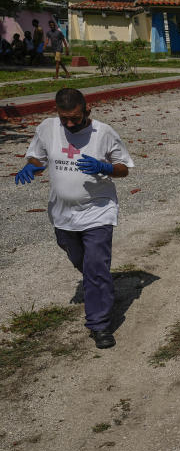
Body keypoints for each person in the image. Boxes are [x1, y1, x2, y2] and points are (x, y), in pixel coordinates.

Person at [15, 88, 135, 349]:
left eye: (75, 119)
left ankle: (100, 324)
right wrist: (31, 166)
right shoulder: (48, 127)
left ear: (87, 111)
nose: (70, 124)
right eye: (64, 119)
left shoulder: (103, 133)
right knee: (82, 262)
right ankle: (100, 285)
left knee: (96, 266)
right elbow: (38, 156)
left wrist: (105, 167)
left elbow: (124, 168)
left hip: (97, 211)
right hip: (62, 214)